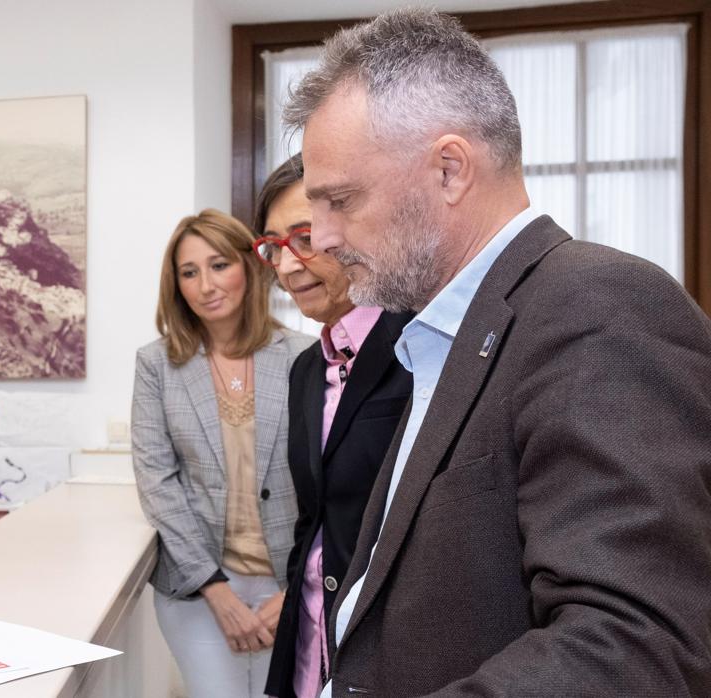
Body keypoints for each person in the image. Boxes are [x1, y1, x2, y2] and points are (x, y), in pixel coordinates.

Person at [287, 8, 711, 695]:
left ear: (450, 169)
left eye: (340, 200)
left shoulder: (601, 309)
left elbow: (635, 647)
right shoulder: (439, 333)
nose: (324, 237)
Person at [131, 208, 315, 697]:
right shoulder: (157, 365)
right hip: (198, 588)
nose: (206, 285)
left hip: (291, 583)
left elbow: (332, 481)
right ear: (176, 286)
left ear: (250, 266)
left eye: (218, 265)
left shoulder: (305, 355)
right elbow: (157, 483)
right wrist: (216, 590)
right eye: (189, 273)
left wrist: (297, 587)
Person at [249, 155, 412, 698]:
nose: (289, 266)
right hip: (308, 650)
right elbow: (313, 522)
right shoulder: (306, 369)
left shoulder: (419, 347)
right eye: (274, 246)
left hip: (388, 657)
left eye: (304, 237)